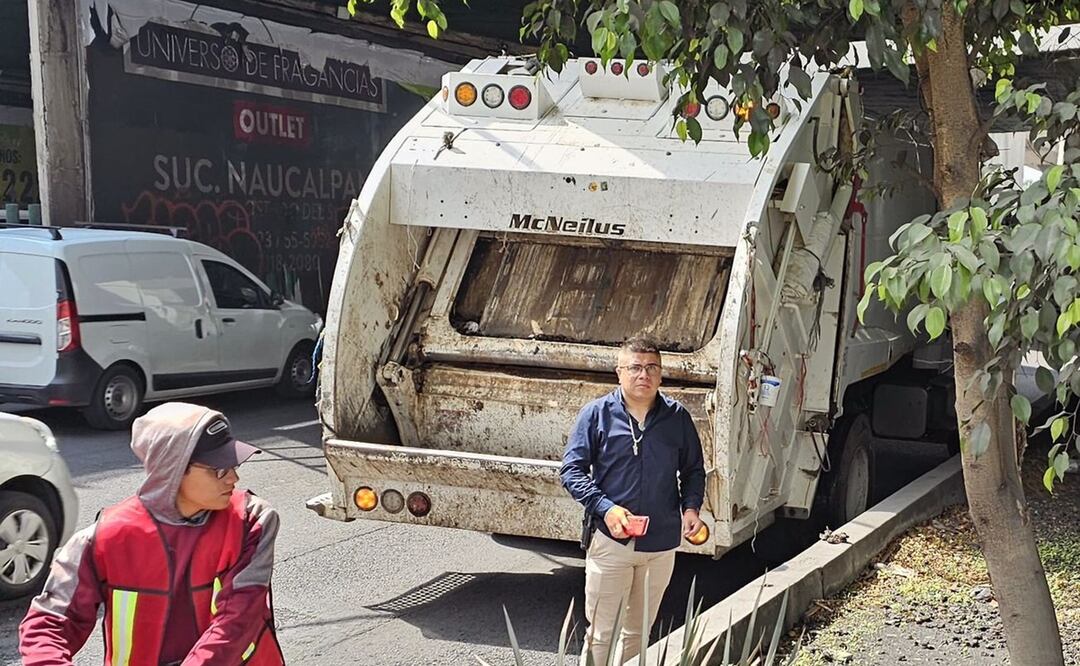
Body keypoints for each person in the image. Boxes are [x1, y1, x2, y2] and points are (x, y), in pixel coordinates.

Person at [19, 402, 285, 666]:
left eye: (233, 464)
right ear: (173, 469)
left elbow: (237, 621)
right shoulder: (104, 538)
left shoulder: (252, 520)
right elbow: (49, 623)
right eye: (219, 469)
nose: (233, 478)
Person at [561, 336, 707, 665]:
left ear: (661, 374)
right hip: (611, 541)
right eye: (635, 367)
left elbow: (694, 470)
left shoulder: (677, 417)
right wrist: (605, 508)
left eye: (652, 368)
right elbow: (571, 472)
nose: (644, 375)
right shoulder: (596, 415)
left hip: (661, 545)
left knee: (639, 633)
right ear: (619, 372)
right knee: (600, 634)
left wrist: (691, 508)